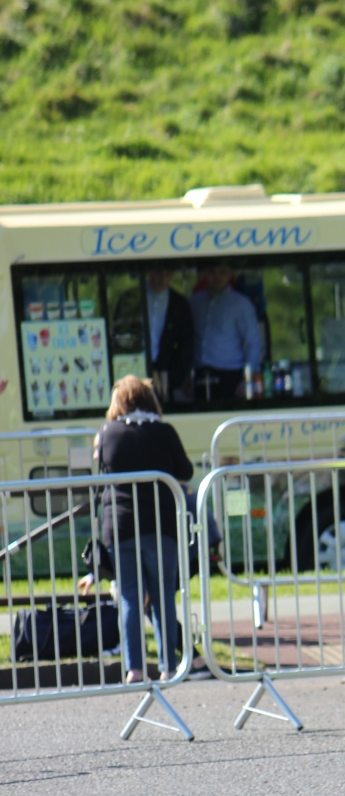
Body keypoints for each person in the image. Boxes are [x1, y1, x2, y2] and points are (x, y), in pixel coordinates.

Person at [91, 377, 193, 683]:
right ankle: (168, 666)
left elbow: (102, 466)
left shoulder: (108, 433)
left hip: (120, 525)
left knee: (129, 597)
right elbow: (186, 470)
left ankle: (134, 669)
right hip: (160, 524)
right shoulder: (164, 432)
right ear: (150, 400)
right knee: (163, 597)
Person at [190, 261, 264, 408]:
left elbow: (254, 343)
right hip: (199, 376)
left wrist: (246, 380)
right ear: (205, 274)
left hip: (230, 377)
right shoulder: (194, 302)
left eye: (222, 272)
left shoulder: (241, 304)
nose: (217, 277)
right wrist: (187, 374)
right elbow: (189, 341)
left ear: (230, 273)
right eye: (212, 272)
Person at [145, 269, 194, 405]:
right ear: (149, 272)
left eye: (167, 274)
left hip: (166, 374)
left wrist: (174, 376)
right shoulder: (132, 298)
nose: (162, 279)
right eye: (158, 273)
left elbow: (186, 343)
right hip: (135, 369)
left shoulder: (180, 303)